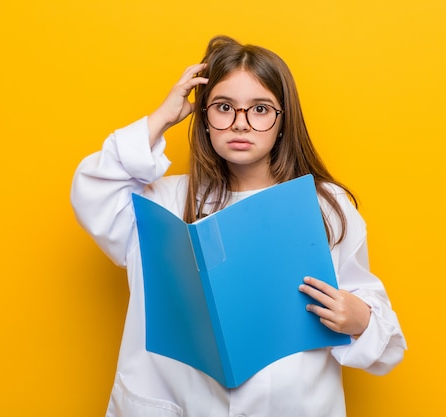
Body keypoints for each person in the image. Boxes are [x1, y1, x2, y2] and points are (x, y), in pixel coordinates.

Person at [71, 35, 406, 417]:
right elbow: (93, 189)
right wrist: (163, 116)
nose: (240, 124)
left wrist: (361, 319)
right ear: (204, 118)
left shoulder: (325, 207)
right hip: (177, 400)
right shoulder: (161, 200)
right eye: (223, 107)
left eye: (260, 109)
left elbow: (380, 328)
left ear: (283, 122)